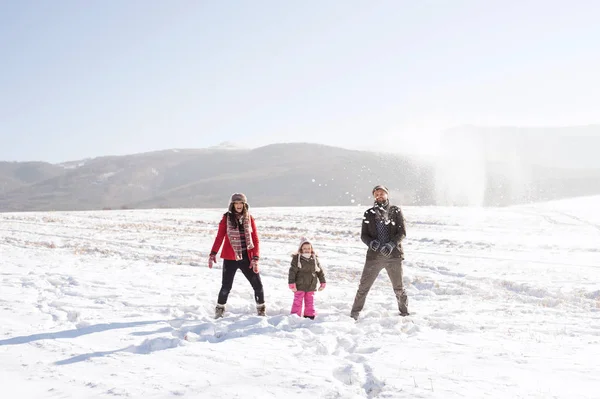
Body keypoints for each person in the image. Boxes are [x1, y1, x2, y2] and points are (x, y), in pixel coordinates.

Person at [350, 185, 408, 320]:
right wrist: (371, 243)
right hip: (374, 257)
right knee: (363, 287)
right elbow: (364, 235)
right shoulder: (368, 213)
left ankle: (404, 313)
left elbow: (402, 233)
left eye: (382, 193)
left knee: (398, 288)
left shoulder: (396, 211)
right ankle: (354, 313)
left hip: (393, 256)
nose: (379, 196)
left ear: (387, 194)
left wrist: (391, 244)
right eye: (376, 194)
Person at [208, 193, 265, 318]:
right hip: (230, 258)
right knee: (226, 286)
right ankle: (219, 310)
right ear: (232, 205)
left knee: (257, 285)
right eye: (236, 203)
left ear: (244, 205)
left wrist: (255, 257)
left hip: (247, 258)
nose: (238, 205)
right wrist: (213, 253)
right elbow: (220, 237)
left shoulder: (249, 218)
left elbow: (255, 239)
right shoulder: (226, 218)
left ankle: (261, 310)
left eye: (241, 203)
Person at [288, 237, 326, 319]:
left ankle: (309, 315)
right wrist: (291, 283)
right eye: (304, 248)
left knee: (310, 301)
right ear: (301, 249)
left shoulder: (314, 258)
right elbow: (292, 271)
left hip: (311, 284)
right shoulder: (297, 258)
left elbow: (319, 271)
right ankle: (295, 316)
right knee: (297, 301)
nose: (307, 250)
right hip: (299, 284)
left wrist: (323, 282)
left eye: (308, 248)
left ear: (311, 248)